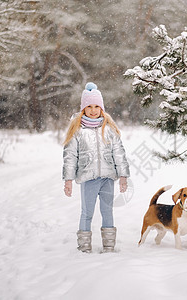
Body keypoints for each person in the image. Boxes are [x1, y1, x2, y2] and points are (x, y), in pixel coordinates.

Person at [62, 82, 130, 253]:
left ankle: (109, 247)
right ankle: (84, 247)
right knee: (87, 212)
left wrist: (123, 176)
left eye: (97, 106)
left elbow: (119, 154)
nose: (93, 110)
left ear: (102, 108)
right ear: (83, 109)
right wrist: (68, 180)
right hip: (88, 180)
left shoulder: (109, 130)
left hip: (107, 179)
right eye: (89, 106)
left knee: (107, 211)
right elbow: (70, 157)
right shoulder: (77, 131)